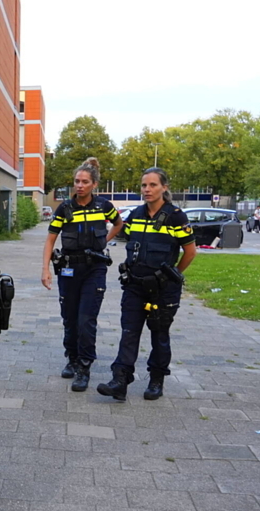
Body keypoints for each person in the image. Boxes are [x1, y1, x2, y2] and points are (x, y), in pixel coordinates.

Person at [97, 167, 196, 401]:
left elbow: (190, 252)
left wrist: (172, 275)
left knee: (159, 334)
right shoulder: (136, 215)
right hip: (135, 286)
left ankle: (156, 380)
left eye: (152, 185)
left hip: (163, 290)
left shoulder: (176, 216)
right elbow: (129, 242)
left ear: (164, 188)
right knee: (129, 332)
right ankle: (120, 380)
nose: (147, 190)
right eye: (144, 185)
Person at [41, 158, 123, 392]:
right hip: (68, 269)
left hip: (94, 269)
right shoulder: (65, 208)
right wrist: (45, 269)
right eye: (77, 181)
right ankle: (72, 358)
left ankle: (84, 367)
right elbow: (50, 239)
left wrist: (102, 243)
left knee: (86, 319)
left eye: (85, 182)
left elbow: (118, 224)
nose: (80, 185)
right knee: (69, 317)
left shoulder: (104, 206)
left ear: (94, 184)